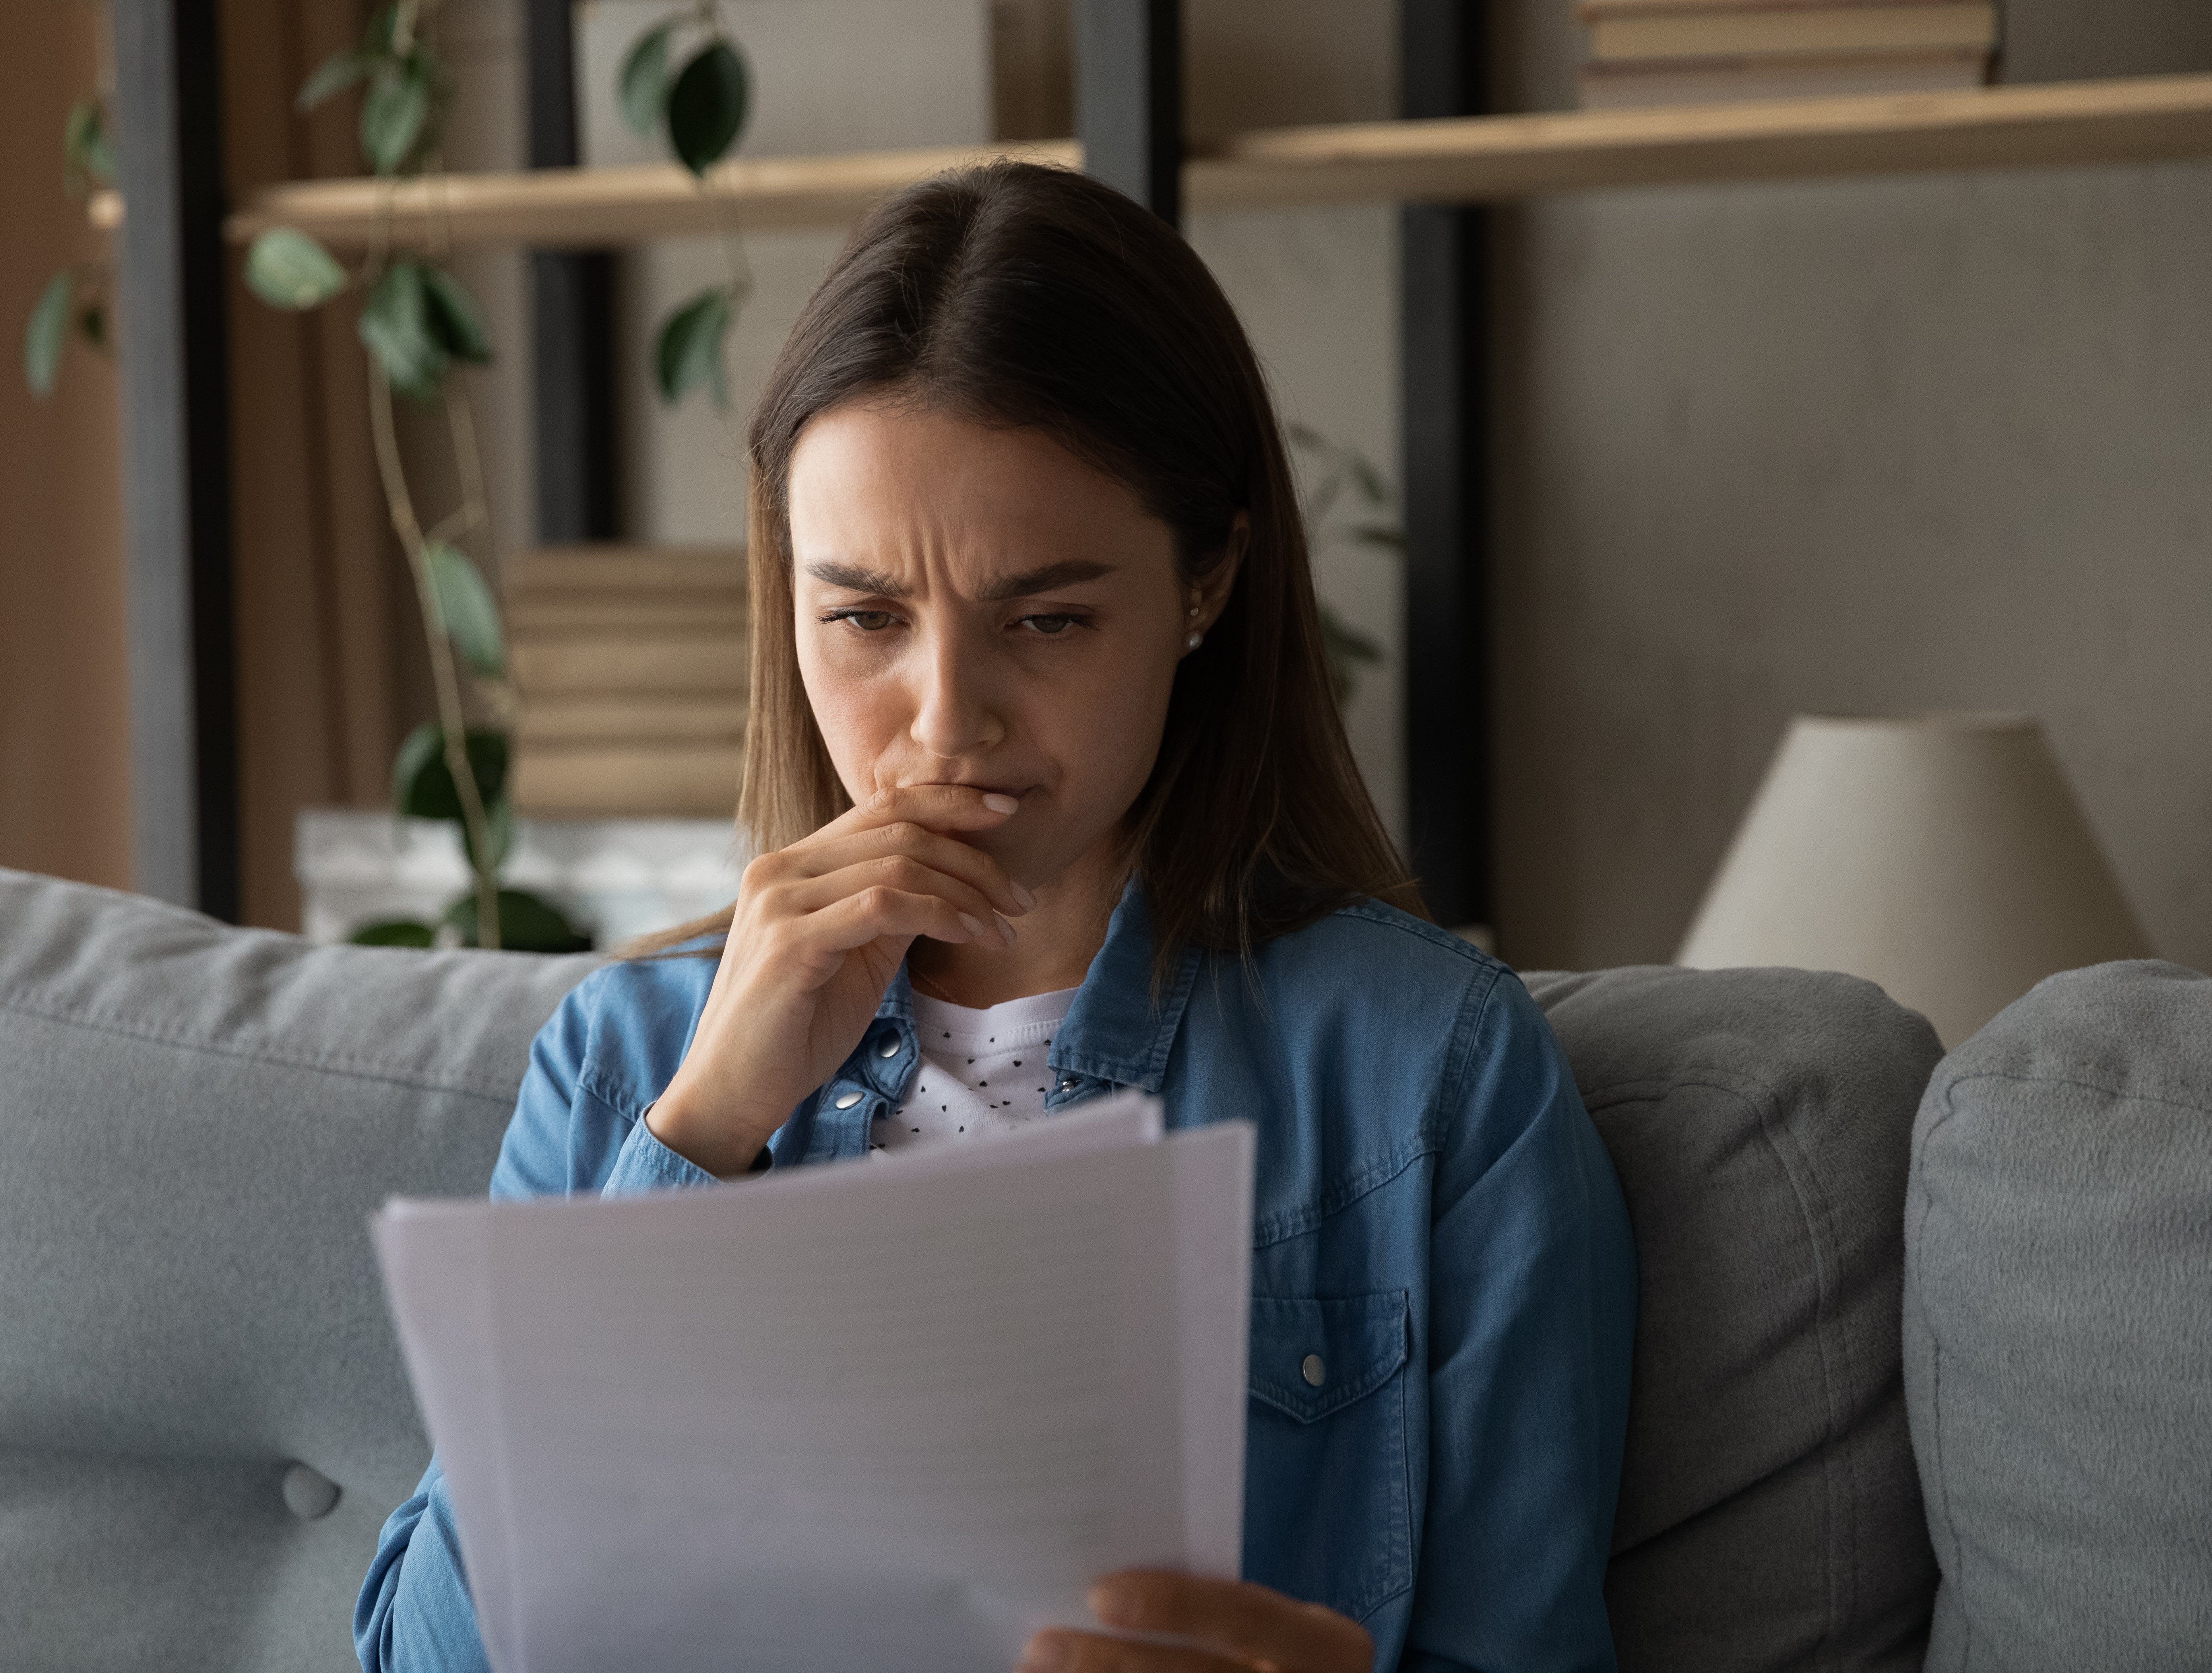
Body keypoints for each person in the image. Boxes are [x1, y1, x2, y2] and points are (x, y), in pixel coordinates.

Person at [355, 161, 1634, 1673]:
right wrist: (703, 1133)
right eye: (865, 618)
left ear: (1208, 576)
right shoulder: (625, 1068)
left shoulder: (1433, 1084)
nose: (947, 719)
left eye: (1048, 620)